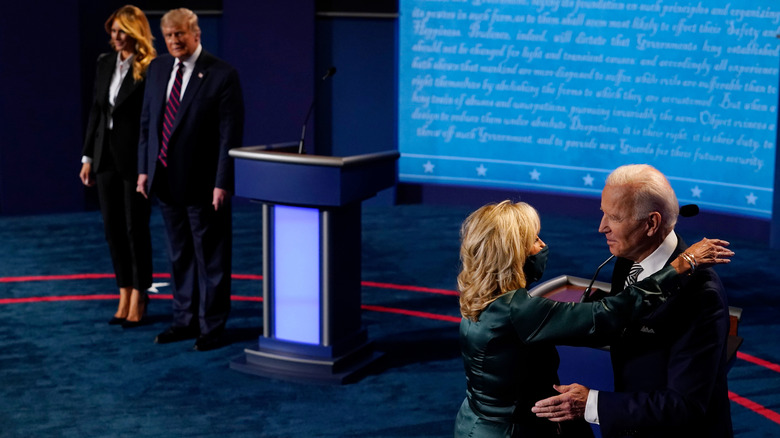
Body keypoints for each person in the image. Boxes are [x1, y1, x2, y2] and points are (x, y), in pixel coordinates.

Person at [454, 200, 732, 438]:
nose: (543, 245)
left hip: (474, 423)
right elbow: (608, 315)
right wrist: (681, 266)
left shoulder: (480, 292)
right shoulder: (518, 310)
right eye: (534, 241)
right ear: (512, 254)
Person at [532, 164, 734, 437]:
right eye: (603, 212)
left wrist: (589, 403)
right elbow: (619, 321)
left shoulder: (701, 295)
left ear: (651, 223)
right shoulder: (629, 258)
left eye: (614, 217)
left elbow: (684, 404)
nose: (601, 227)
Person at [137, 8, 244, 351]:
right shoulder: (157, 69)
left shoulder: (221, 74)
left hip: (204, 184)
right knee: (179, 254)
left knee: (210, 257)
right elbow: (147, 124)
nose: (174, 41)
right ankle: (184, 320)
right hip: (165, 179)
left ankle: (212, 325)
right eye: (168, 36)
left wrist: (222, 182)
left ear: (196, 34)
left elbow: (230, 135)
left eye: (180, 34)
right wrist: (143, 169)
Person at [80, 5, 156, 328]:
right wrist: (87, 157)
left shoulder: (151, 68)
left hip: (135, 159)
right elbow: (97, 113)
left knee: (134, 228)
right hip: (104, 158)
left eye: (122, 31)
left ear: (135, 32)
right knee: (112, 228)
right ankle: (123, 292)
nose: (116, 37)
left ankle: (140, 295)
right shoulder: (104, 63)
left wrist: (148, 164)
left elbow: (152, 121)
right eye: (113, 31)